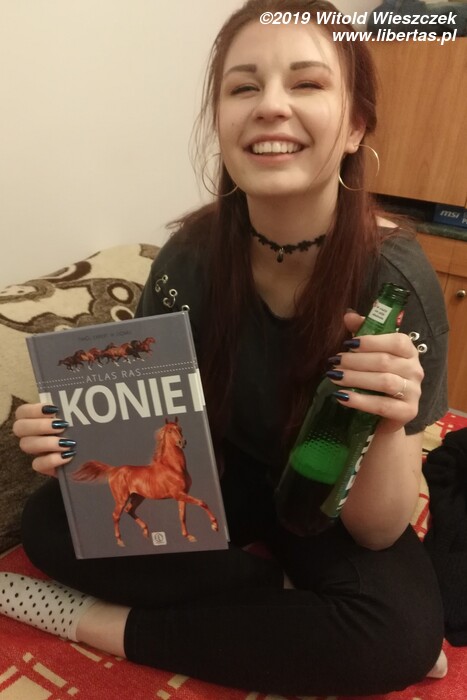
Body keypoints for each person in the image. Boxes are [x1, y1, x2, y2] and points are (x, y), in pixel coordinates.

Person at [1, 0, 450, 695]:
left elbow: (376, 532)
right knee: (51, 522)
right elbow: (152, 430)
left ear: (356, 124)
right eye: (244, 87)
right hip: (222, 473)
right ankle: (286, 602)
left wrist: (387, 424)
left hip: (325, 501)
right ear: (219, 121)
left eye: (306, 83)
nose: (270, 106)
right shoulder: (188, 258)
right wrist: (79, 432)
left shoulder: (396, 281)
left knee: (399, 633)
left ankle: (96, 623)